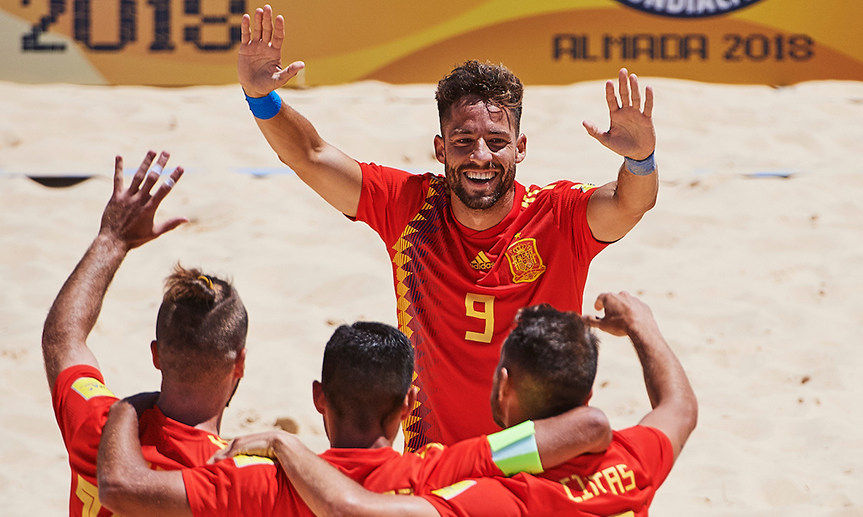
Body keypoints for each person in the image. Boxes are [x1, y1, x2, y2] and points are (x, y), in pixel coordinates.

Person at [239, 5, 659, 450]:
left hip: (541, 464)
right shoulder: (410, 208)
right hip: (437, 470)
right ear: (440, 149)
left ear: (520, 148)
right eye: (463, 141)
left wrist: (640, 160)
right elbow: (312, 156)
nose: (480, 155)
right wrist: (261, 98)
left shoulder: (557, 214)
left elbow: (631, 202)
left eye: (497, 142)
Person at [211, 292, 697, 517]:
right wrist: (641, 324)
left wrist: (282, 444)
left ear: (504, 385)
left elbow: (351, 510)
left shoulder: (501, 495)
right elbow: (680, 406)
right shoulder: (633, 462)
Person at [96, 321, 612, 516]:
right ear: (408, 406)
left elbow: (121, 488)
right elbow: (589, 428)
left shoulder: (256, 483)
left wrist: (128, 406)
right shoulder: (444, 473)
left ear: (319, 398)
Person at [42, 151, 250, 516]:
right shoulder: (234, 482)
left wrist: (112, 239)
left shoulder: (98, 423)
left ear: (156, 353)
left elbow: (63, 338)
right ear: (240, 363)